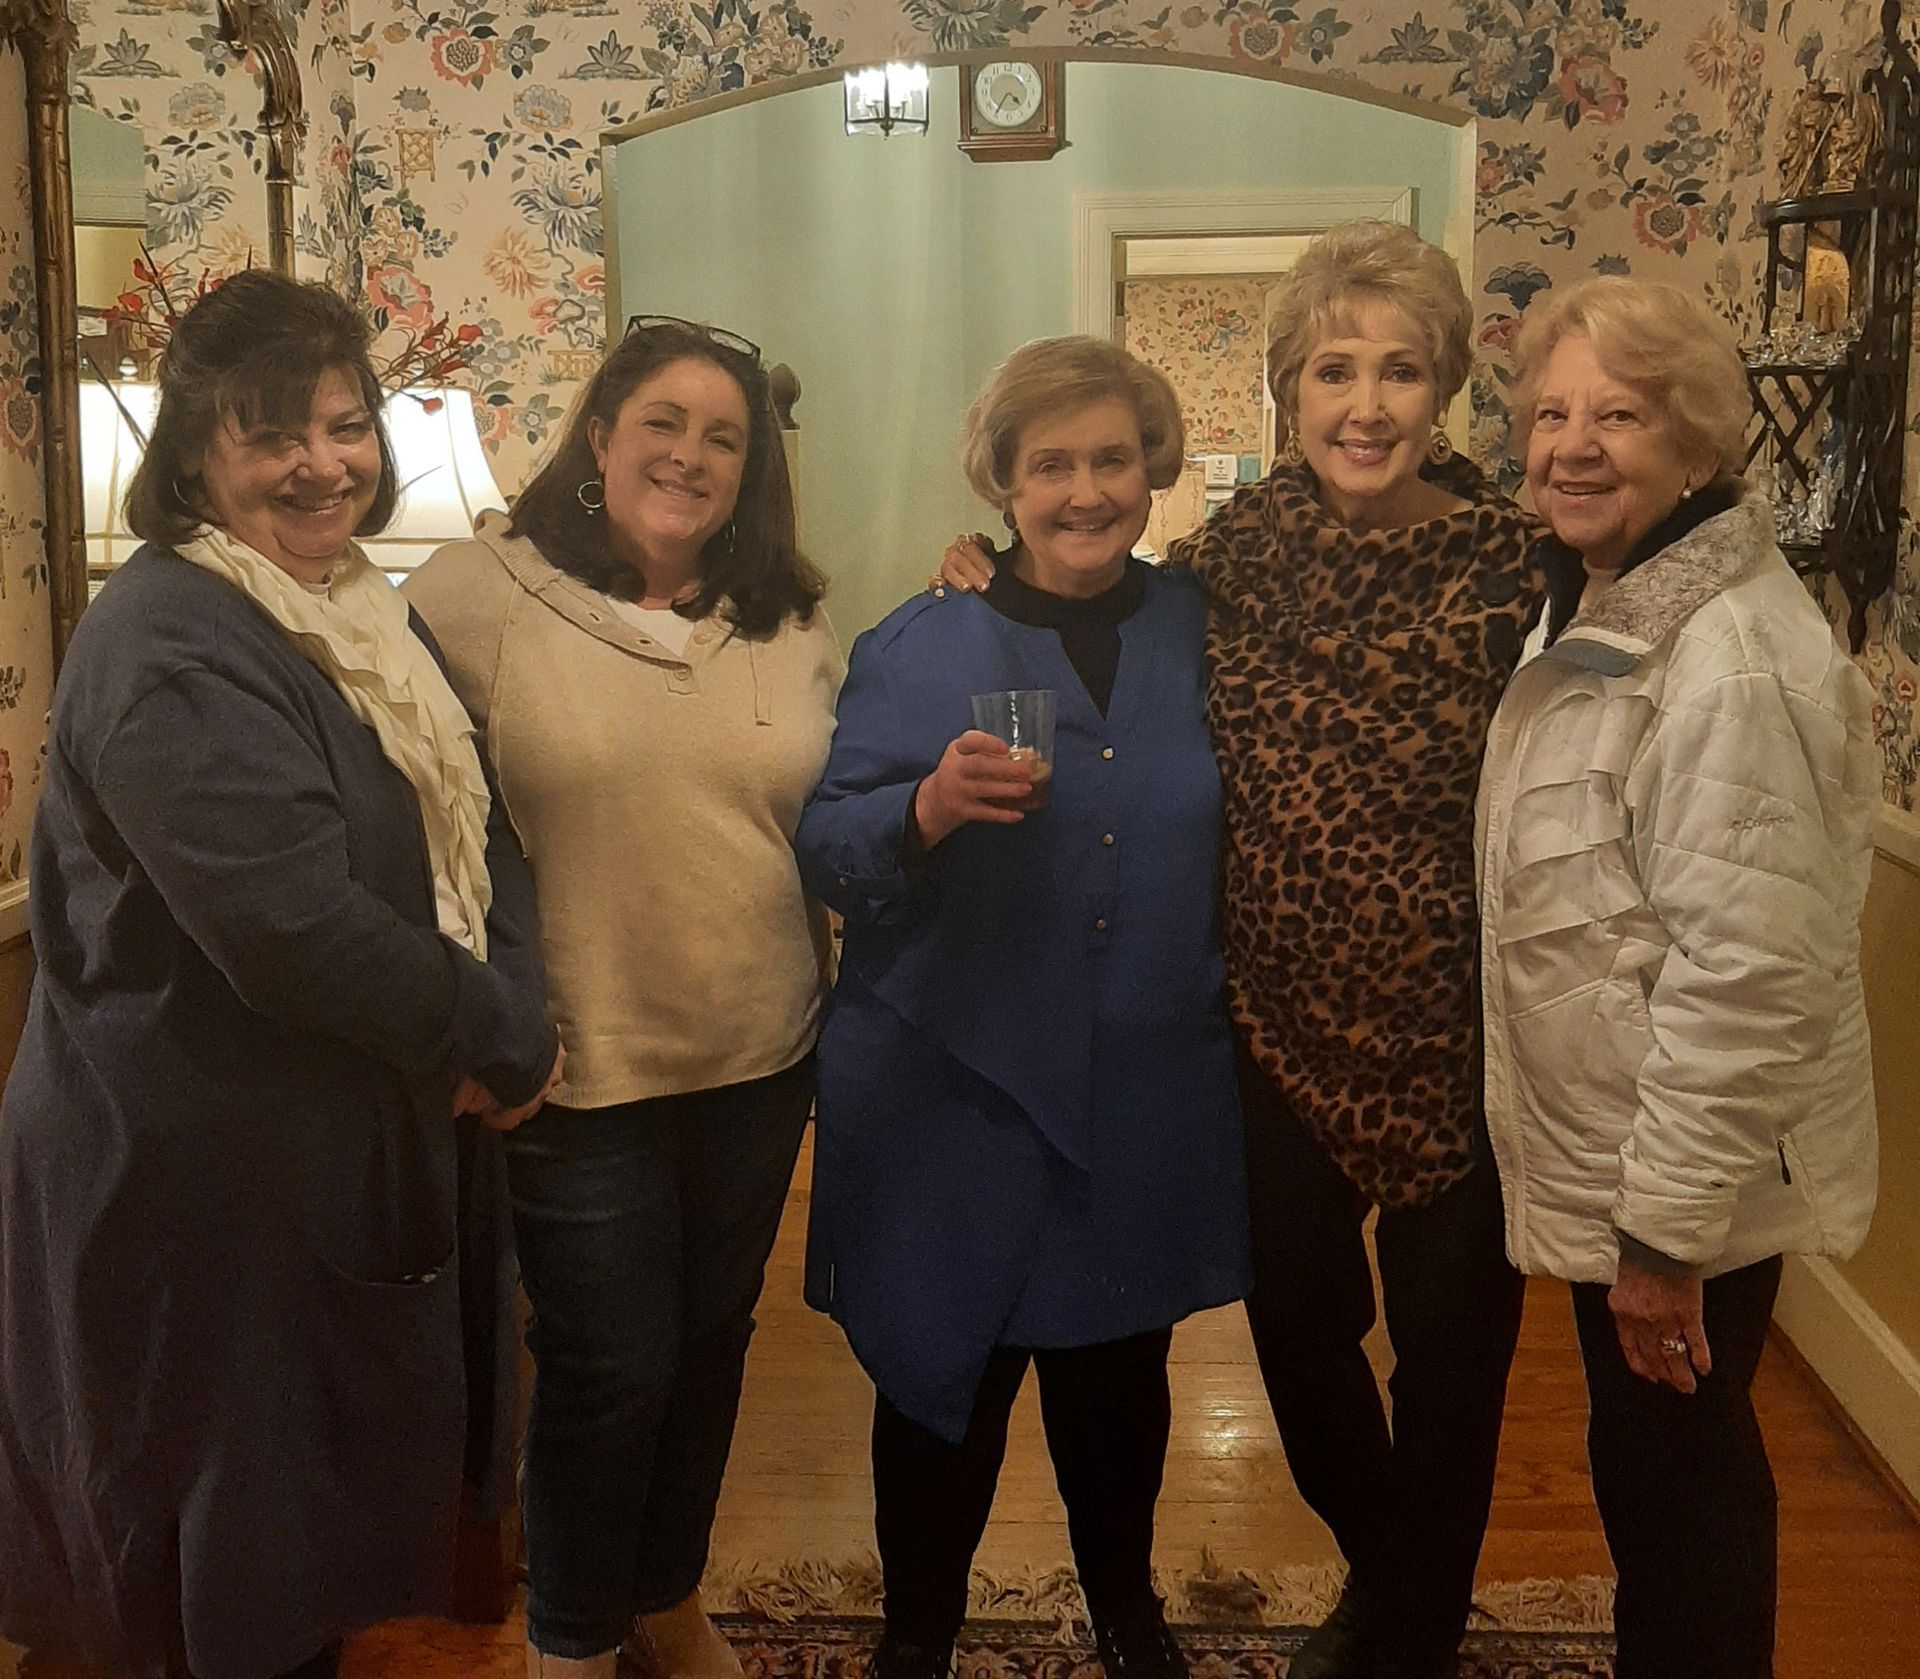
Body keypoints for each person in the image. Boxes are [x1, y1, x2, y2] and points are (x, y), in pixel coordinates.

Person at [942, 223, 1539, 1679]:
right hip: (1268, 1030)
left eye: (1402, 369)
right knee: (1303, 1334)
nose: (1369, 403)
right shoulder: (1227, 564)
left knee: (1455, 1373)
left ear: (1446, 384)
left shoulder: (1523, 571)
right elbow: (1084, 619)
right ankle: (1401, 1579)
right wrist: (982, 580)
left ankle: (1401, 1634)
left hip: (1470, 1040)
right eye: (1335, 368)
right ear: (1285, 390)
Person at [0, 270, 562, 1679]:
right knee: (217, 1554)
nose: (325, 466)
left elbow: (472, 820)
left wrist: (513, 996)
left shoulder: (344, 603)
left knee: (298, 1537)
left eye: (344, 424)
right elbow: (289, 921)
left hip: (310, 1144)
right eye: (273, 437)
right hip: (197, 1180)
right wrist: (502, 1039)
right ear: (193, 457)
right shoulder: (173, 637)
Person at [798, 336, 1250, 1679]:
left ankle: (1129, 1612)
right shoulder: (918, 641)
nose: (1085, 490)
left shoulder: (1204, 628)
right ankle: (915, 1637)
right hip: (955, 1086)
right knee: (944, 1376)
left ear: (1154, 471)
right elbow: (828, 849)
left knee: (1118, 1375)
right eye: (1050, 463)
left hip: (1139, 1083)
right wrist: (926, 809)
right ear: (1003, 482)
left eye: (1112, 458)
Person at [404, 316, 841, 1679]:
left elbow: (839, 814)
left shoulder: (797, 620)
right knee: (609, 1370)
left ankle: (669, 1598)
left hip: (763, 1054)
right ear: (599, 437)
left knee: (712, 1350)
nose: (691, 455)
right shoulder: (475, 596)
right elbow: (421, 830)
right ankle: (574, 1644)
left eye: (725, 436)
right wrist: (470, 1022)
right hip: (578, 1068)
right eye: (663, 422)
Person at [1477, 277, 1878, 1679]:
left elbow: (1750, 972)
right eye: (1549, 413)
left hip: (1679, 1179)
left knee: (1683, 1486)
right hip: (1640, 1154)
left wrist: (1660, 1241)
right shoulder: (1616, 596)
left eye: (1619, 415)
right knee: (1661, 1476)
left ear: (1698, 443)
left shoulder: (1728, 659)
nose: (1571, 444)